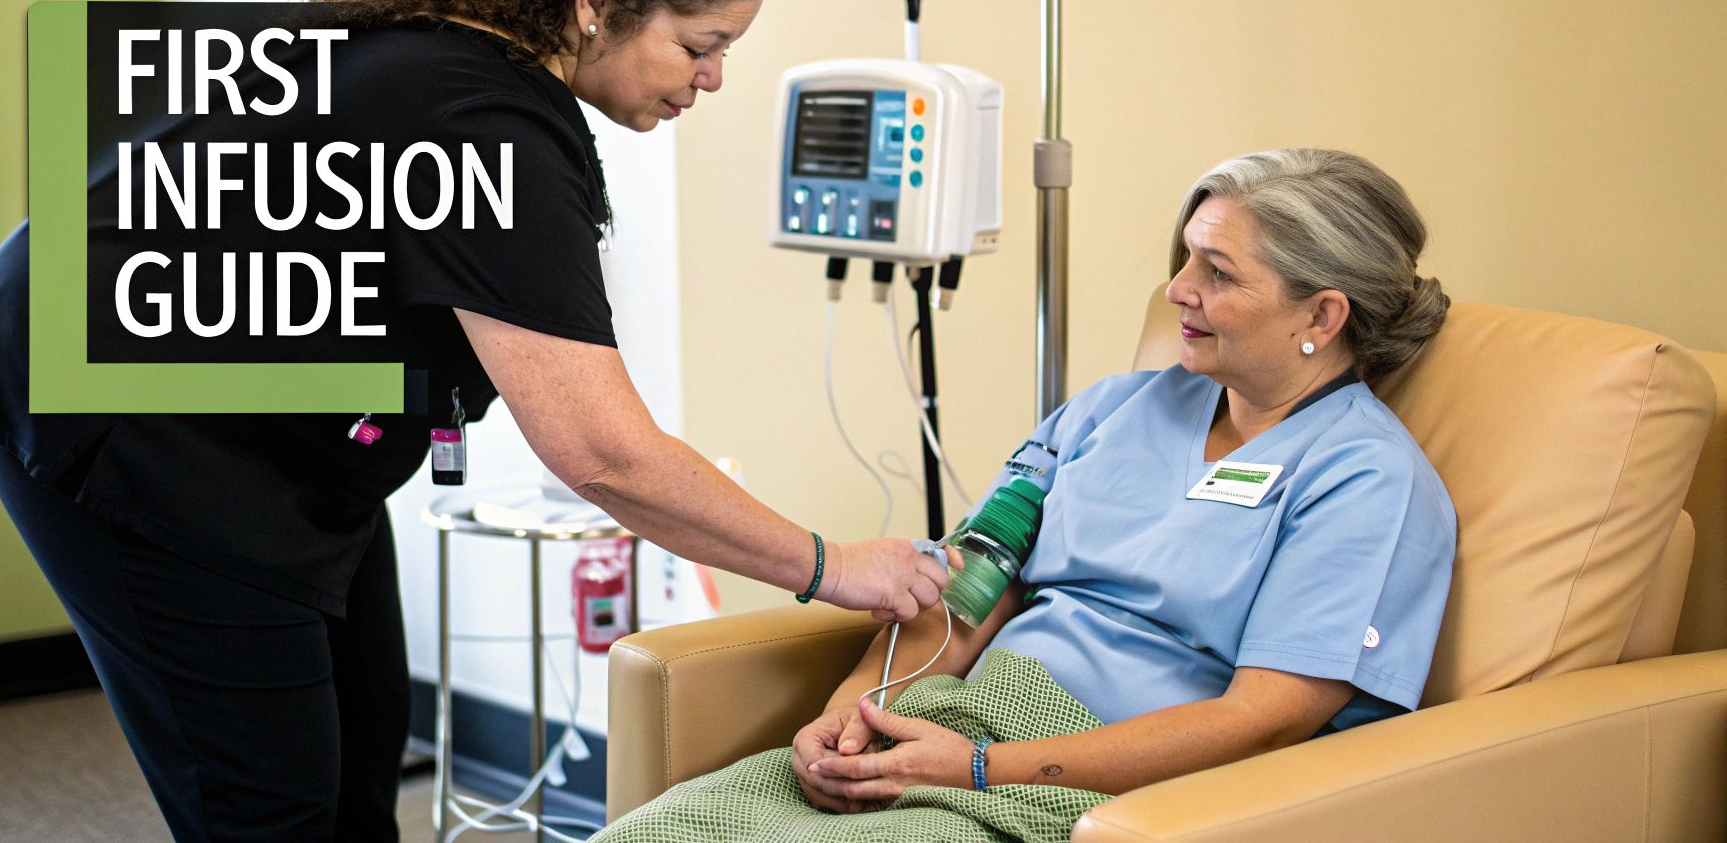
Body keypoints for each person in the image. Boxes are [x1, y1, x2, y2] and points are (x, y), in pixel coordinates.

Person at [0, 0, 948, 843]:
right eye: (698, 44)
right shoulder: (480, 117)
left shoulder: (464, 63)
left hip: (267, 433)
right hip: (121, 419)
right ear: (595, 4)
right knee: (267, 807)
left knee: (362, 766)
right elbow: (601, 452)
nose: (714, 78)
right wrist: (829, 564)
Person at [595, 148, 1458, 843]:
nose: (1179, 290)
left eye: (1219, 273)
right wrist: (857, 713)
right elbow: (975, 581)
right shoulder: (1115, 408)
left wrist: (975, 771)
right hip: (950, 723)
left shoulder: (1365, 482)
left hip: (1096, 787)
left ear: (1322, 317)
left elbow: (1265, 723)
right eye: (1186, 256)